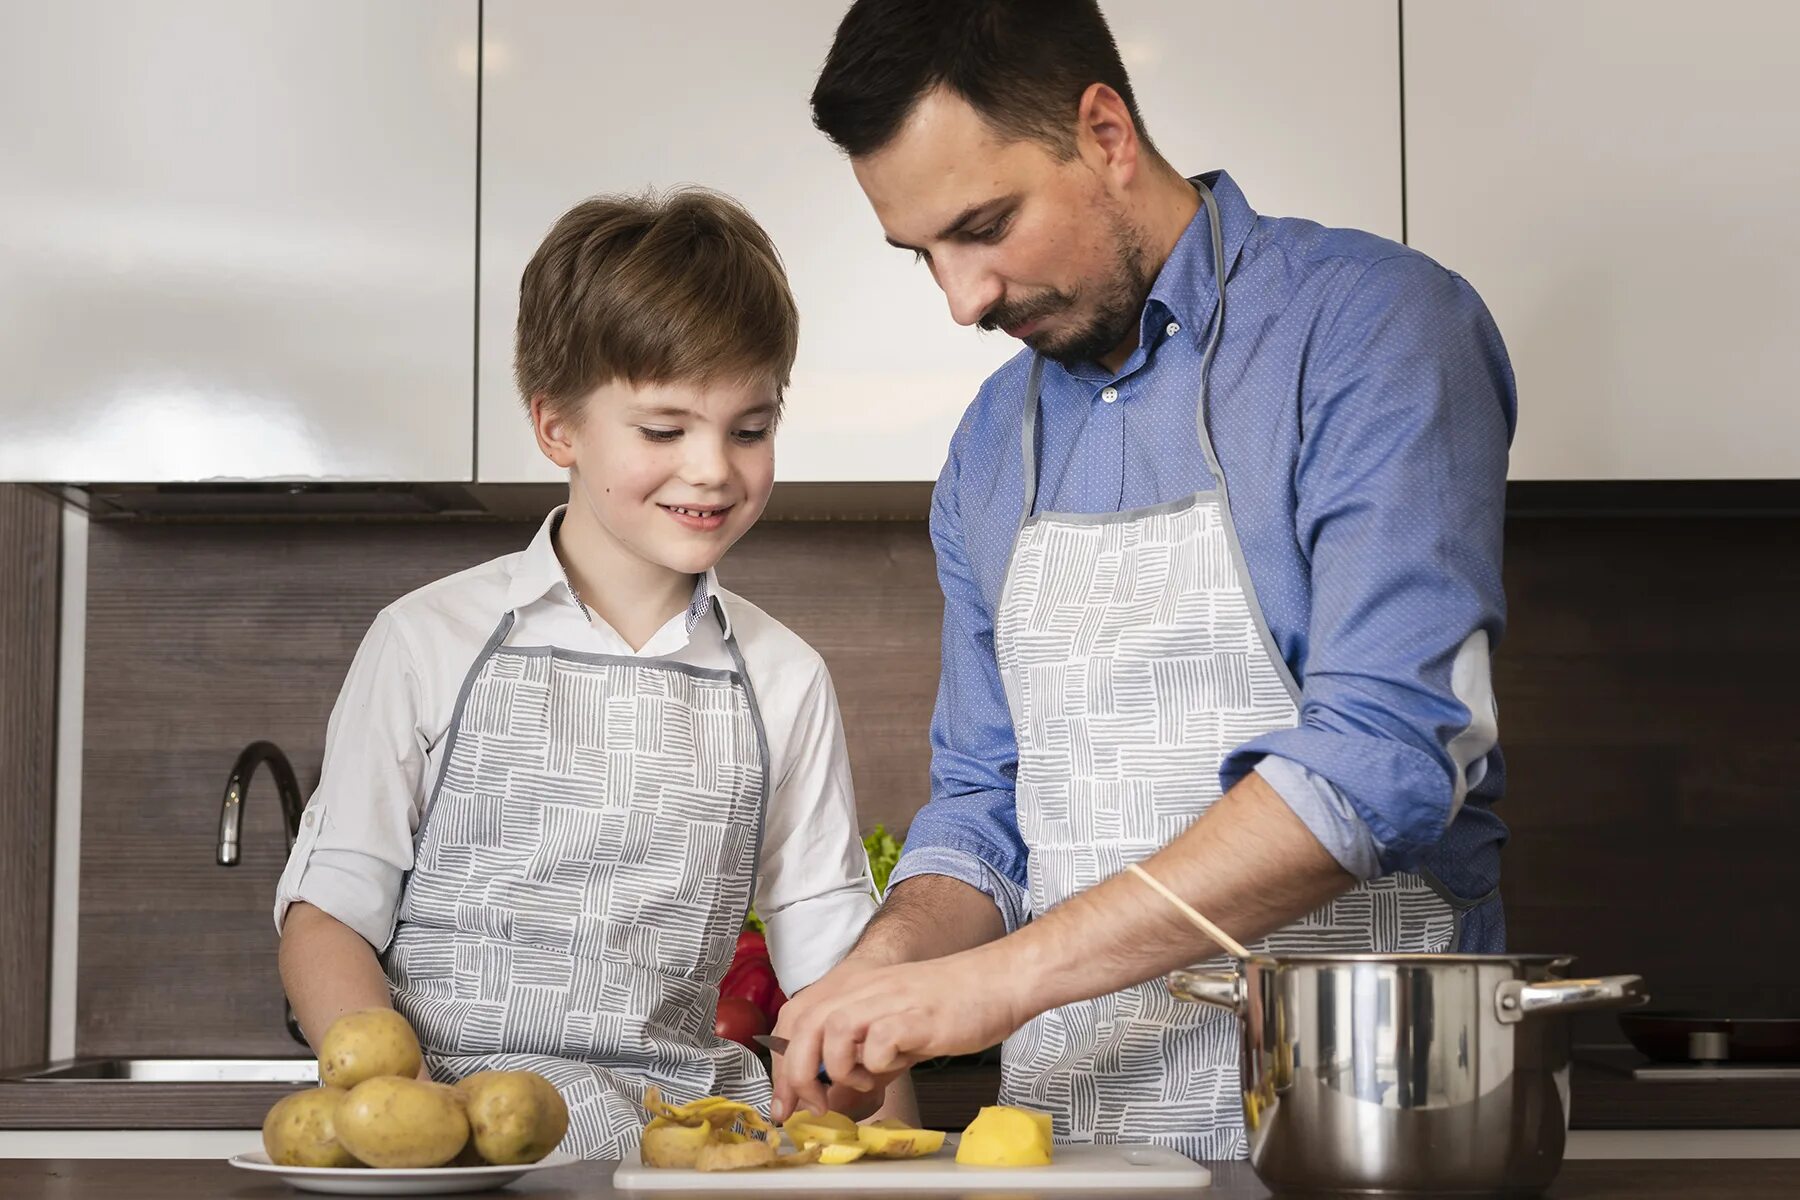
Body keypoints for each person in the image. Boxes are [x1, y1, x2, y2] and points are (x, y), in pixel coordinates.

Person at [772, 0, 1515, 1161]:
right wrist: (896, 958)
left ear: (1106, 134)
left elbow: (1388, 750)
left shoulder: (1373, 328)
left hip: (1363, 1124)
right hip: (1075, 1145)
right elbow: (985, 809)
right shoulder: (985, 447)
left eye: (984, 225)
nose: (961, 299)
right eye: (923, 253)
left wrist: (1000, 982)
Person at [273, 189, 911, 1158]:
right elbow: (326, 919)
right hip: (462, 1154)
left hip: (686, 1149)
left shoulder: (784, 678)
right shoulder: (428, 641)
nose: (712, 470)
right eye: (664, 430)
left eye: (749, 428)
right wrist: (405, 1123)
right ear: (556, 427)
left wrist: (902, 1164)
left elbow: (841, 974)